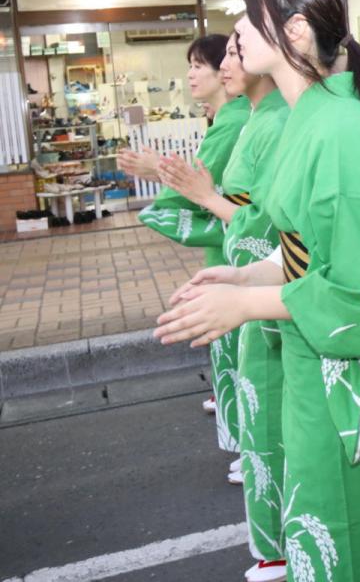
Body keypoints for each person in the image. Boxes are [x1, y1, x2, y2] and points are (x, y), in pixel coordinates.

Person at [155, 0, 360, 577]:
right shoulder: (308, 119)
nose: (235, 38)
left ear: (297, 31)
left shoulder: (337, 128)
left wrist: (245, 304)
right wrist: (243, 277)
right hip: (319, 370)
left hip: (354, 383)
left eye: (247, 23)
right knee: (324, 534)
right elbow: (307, 251)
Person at [157, 31, 290, 582]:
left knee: (278, 408)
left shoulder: (283, 121)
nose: (225, 63)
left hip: (274, 287)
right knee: (260, 398)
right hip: (255, 278)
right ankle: (278, 539)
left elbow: (274, 219)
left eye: (237, 49)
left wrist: (208, 198)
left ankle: (287, 539)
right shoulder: (258, 117)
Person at [123, 34, 251, 457]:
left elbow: (198, 184)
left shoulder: (237, 120)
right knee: (235, 349)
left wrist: (158, 170)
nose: (192, 73)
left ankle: (246, 447)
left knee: (238, 352)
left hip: (238, 246)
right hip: (238, 241)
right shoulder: (235, 117)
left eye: (202, 64)